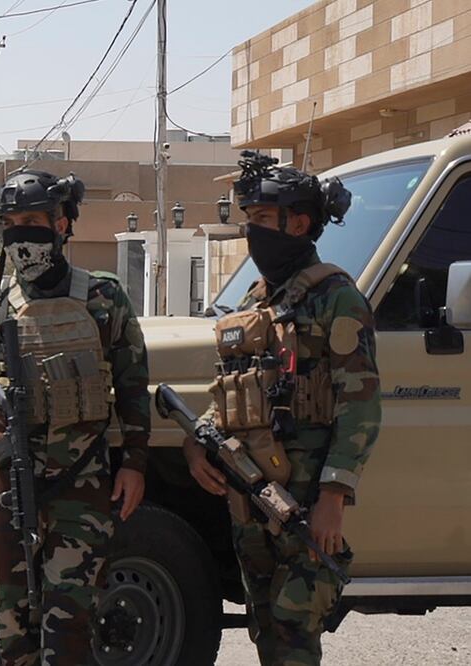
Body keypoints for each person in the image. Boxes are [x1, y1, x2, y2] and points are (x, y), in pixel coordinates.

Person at [0, 170, 150, 665]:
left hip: (81, 484)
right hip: (3, 483)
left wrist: (135, 463)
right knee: (10, 624)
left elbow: (134, 385)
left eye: (32, 220)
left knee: (72, 623)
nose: (22, 234)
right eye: (11, 223)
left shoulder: (103, 298)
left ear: (61, 224)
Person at [183, 152, 379, 666]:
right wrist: (197, 441)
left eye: (263, 220)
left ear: (299, 222)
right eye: (249, 219)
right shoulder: (256, 299)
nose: (253, 231)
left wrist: (334, 494)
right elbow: (230, 388)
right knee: (264, 626)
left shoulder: (336, 298)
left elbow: (361, 406)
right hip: (251, 495)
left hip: (305, 498)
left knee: (294, 630)